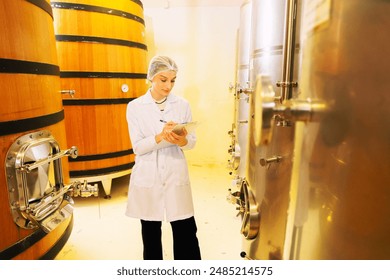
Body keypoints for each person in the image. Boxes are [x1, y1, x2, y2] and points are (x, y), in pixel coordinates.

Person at [125, 55, 201, 260]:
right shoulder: (135, 107)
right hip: (148, 173)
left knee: (185, 229)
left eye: (173, 80)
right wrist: (160, 137)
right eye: (163, 79)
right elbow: (138, 147)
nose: (169, 86)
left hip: (175, 170)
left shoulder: (182, 104)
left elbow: (192, 142)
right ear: (151, 77)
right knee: (150, 234)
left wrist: (181, 140)